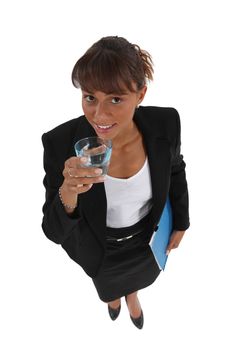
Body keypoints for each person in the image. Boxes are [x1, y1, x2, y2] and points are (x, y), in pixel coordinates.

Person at [41, 36, 190, 329]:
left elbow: (175, 169)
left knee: (140, 278)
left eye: (116, 99)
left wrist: (181, 221)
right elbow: (54, 231)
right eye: (90, 97)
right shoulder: (60, 144)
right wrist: (68, 192)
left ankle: (132, 295)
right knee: (108, 286)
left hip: (145, 239)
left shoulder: (166, 124)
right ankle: (112, 298)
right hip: (99, 247)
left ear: (141, 94)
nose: (99, 114)